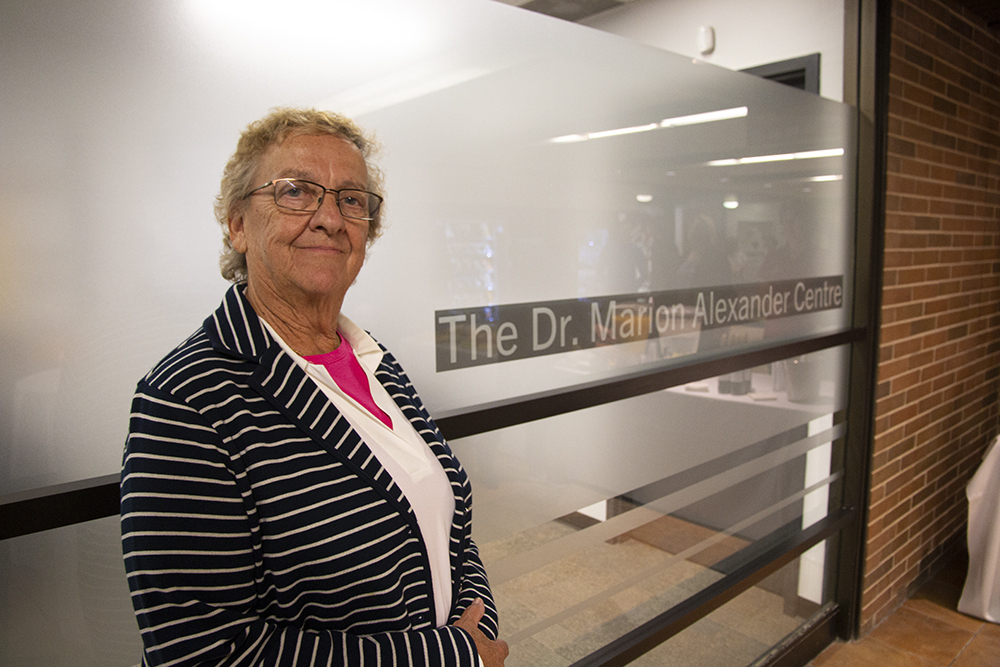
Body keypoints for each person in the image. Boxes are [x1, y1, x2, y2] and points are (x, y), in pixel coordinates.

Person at [120, 108, 508, 666]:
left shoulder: (372, 360)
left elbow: (453, 531)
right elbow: (203, 651)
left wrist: (479, 629)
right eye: (295, 191)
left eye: (351, 199)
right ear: (237, 224)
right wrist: (452, 657)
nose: (329, 218)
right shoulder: (187, 399)